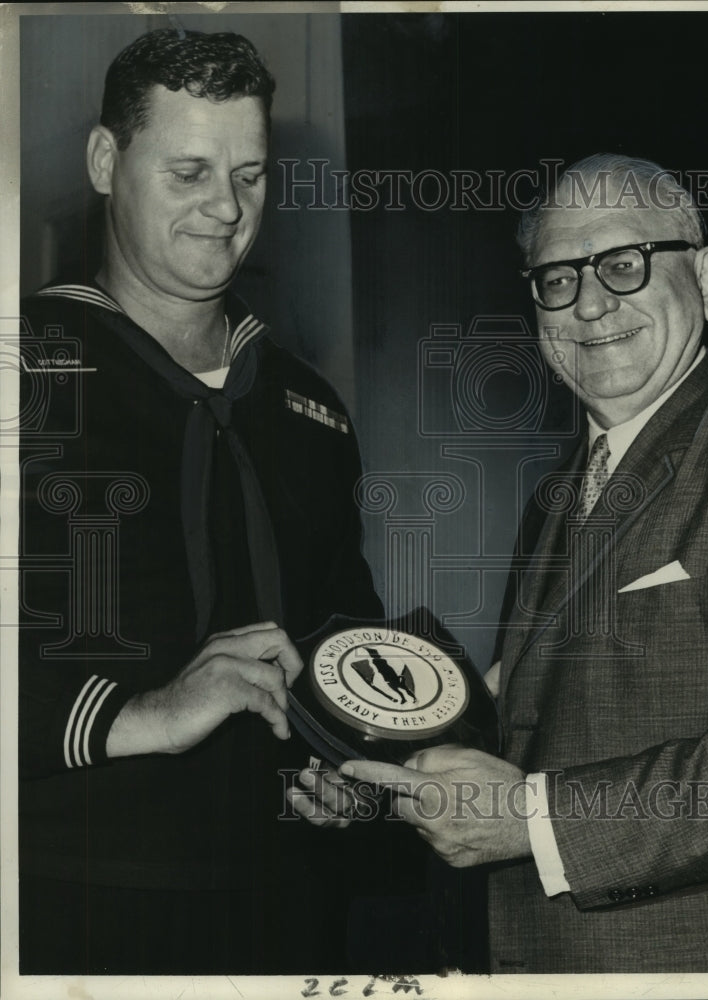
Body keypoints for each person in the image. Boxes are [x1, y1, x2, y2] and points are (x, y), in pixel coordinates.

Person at [336, 154, 708, 973]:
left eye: (623, 264)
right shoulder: (562, 491)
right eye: (557, 279)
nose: (590, 303)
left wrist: (533, 821)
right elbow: (538, 734)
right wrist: (373, 774)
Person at [18, 28, 386, 974]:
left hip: (291, 908)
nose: (227, 208)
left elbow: (351, 641)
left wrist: (354, 765)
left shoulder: (311, 410)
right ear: (106, 161)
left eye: (251, 175)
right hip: (79, 904)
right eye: (189, 173)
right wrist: (141, 713)